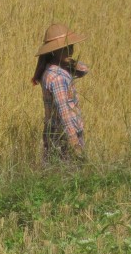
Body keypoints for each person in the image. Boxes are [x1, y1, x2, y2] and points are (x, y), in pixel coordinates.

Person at [32, 23, 89, 162]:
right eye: (66, 47)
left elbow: (84, 70)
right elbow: (65, 113)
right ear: (54, 51)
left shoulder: (55, 68)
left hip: (54, 133)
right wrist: (75, 144)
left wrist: (69, 62)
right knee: (70, 176)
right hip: (64, 136)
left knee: (54, 177)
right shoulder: (57, 78)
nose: (71, 49)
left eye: (71, 45)